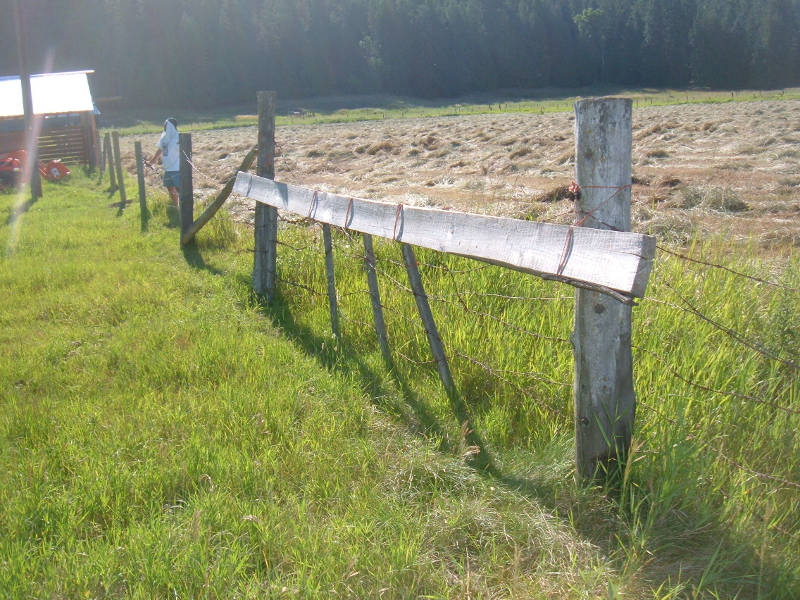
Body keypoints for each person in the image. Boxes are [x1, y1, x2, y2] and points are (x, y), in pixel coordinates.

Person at [148, 118, 180, 206]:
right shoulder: (164, 138)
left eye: (166, 125)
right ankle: (175, 207)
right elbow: (160, 150)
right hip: (168, 168)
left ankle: (183, 209)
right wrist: (152, 161)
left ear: (170, 126)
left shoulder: (178, 137)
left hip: (177, 168)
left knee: (179, 189)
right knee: (170, 188)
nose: (164, 127)